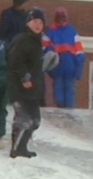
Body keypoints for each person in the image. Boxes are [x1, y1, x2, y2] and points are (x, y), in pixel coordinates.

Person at [6, 8, 57, 158]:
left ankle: (21, 147)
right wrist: (24, 77)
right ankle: (17, 149)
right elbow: (14, 61)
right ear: (27, 22)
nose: (38, 24)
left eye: (41, 22)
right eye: (34, 21)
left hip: (32, 89)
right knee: (25, 119)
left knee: (35, 120)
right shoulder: (22, 39)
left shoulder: (36, 42)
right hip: (21, 87)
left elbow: (35, 66)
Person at [45, 7, 86, 108]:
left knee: (63, 93)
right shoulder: (71, 31)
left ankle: (64, 111)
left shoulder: (50, 31)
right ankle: (66, 112)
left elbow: (45, 51)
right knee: (66, 94)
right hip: (66, 66)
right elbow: (79, 52)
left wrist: (49, 68)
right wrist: (78, 70)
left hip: (61, 67)